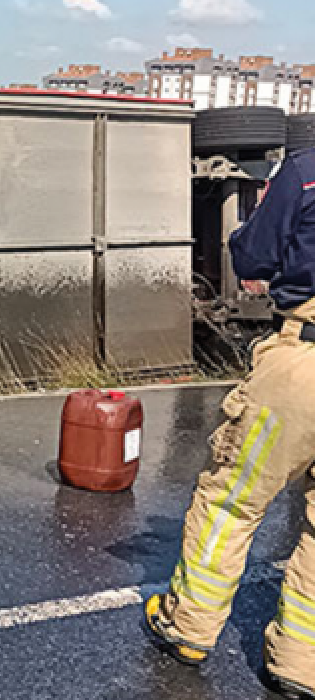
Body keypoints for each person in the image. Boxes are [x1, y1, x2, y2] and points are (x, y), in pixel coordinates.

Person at [144, 149, 315, 699]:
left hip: (302, 366)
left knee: (233, 500)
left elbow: (253, 258)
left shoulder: (305, 171)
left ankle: (188, 627)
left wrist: (259, 225)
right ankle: (301, 661)